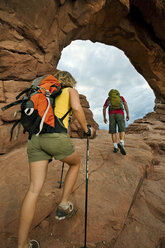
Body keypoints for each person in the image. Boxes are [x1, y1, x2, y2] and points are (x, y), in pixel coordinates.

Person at [18, 71, 95, 248]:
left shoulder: (44, 92)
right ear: (70, 82)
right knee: (75, 163)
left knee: (33, 189)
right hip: (55, 137)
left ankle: (21, 245)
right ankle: (63, 204)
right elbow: (76, 108)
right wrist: (86, 129)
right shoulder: (70, 91)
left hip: (35, 139)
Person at [103, 89, 129, 155]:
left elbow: (104, 108)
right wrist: (128, 114)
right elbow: (125, 105)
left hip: (111, 115)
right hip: (120, 114)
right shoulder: (121, 97)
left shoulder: (108, 99)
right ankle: (121, 143)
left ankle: (115, 147)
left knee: (113, 131)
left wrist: (104, 117)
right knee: (122, 129)